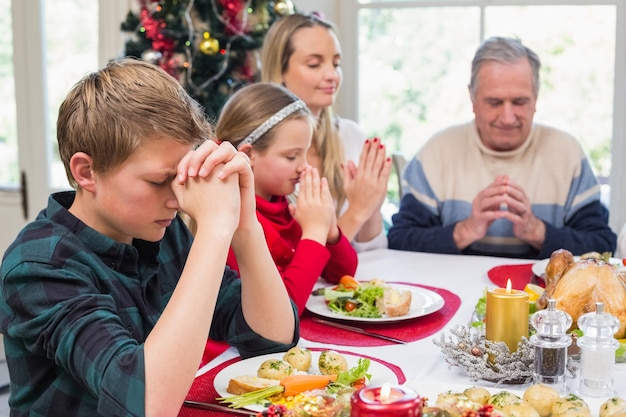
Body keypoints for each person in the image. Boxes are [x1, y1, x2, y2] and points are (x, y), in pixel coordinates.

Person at [0, 58, 298, 416]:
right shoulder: (38, 265)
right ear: (86, 172)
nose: (177, 199)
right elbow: (143, 403)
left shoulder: (160, 229)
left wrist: (245, 227)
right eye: (159, 180)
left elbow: (270, 338)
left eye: (181, 176)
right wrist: (213, 233)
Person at [388, 36, 616, 259]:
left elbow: (602, 246)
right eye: (494, 102)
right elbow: (399, 240)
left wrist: (538, 232)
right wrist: (465, 231)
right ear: (472, 98)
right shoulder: (437, 151)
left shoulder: (568, 154)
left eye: (519, 102)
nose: (507, 118)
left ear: (536, 98)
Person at [216, 82, 358, 315]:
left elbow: (343, 274)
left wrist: (329, 231)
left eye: (305, 152)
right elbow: (283, 311)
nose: (304, 166)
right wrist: (313, 234)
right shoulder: (235, 223)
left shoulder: (284, 204)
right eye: (291, 156)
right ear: (249, 155)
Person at [260, 12, 392, 252]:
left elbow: (374, 252)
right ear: (280, 70)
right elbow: (298, 265)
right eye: (314, 64)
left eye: (336, 63)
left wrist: (372, 208)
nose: (332, 75)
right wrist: (356, 211)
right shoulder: (262, 151)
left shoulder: (350, 135)